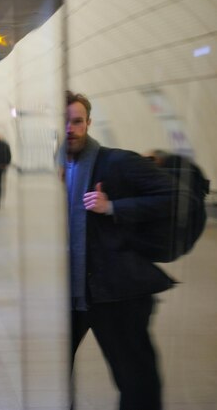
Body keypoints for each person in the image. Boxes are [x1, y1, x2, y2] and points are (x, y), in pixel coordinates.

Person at [64, 91, 176, 410]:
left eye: (78, 121)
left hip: (117, 292)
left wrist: (112, 206)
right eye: (65, 122)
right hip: (71, 294)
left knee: (136, 379)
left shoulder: (117, 162)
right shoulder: (56, 166)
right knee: (52, 378)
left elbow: (173, 195)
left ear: (88, 123)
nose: (71, 128)